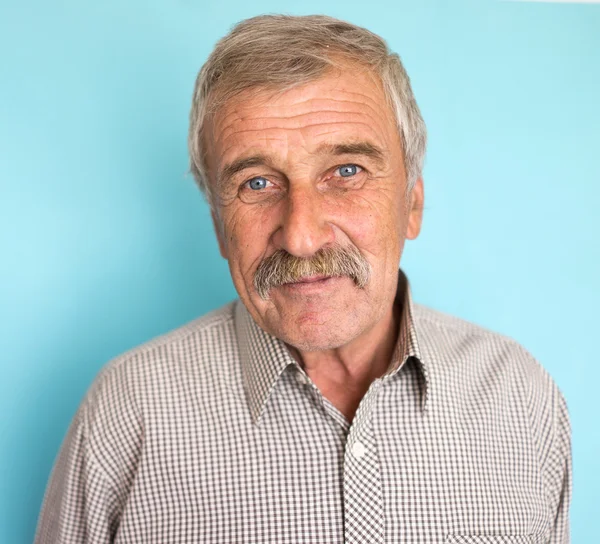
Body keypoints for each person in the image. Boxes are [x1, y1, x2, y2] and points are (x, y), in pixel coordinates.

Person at [35, 14, 571, 544]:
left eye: (346, 172)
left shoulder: (520, 397)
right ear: (219, 227)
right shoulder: (127, 411)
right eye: (258, 182)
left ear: (412, 203)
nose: (302, 237)